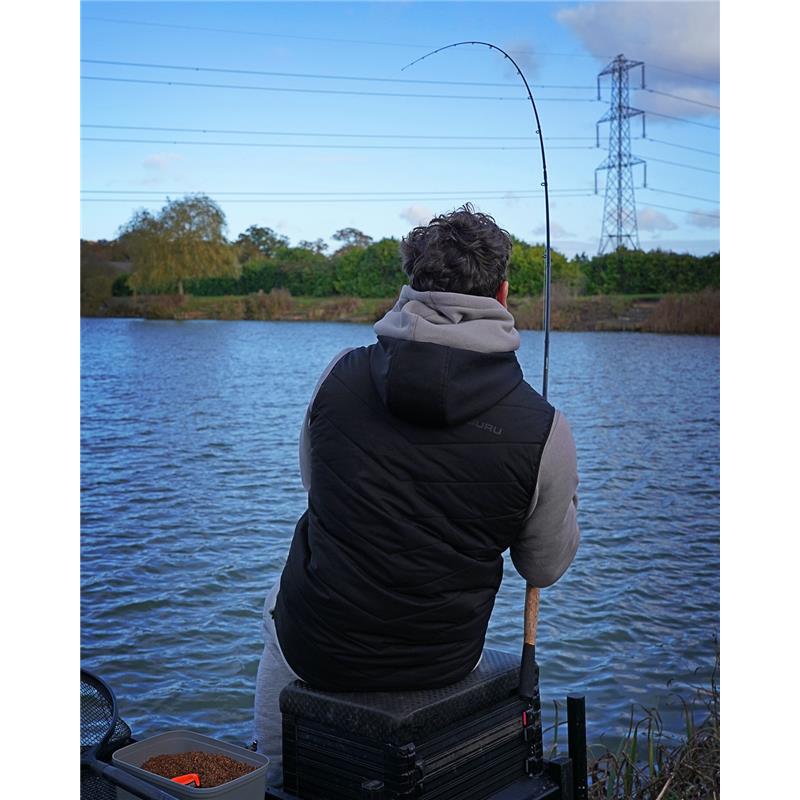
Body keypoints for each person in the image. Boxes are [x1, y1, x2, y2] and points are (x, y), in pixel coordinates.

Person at [253, 204, 579, 786]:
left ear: (411, 286)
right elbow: (544, 567)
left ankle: (275, 774)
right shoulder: (544, 429)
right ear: (503, 292)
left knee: (278, 768)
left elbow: (315, 486)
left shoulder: (338, 376)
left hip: (313, 647)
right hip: (442, 662)